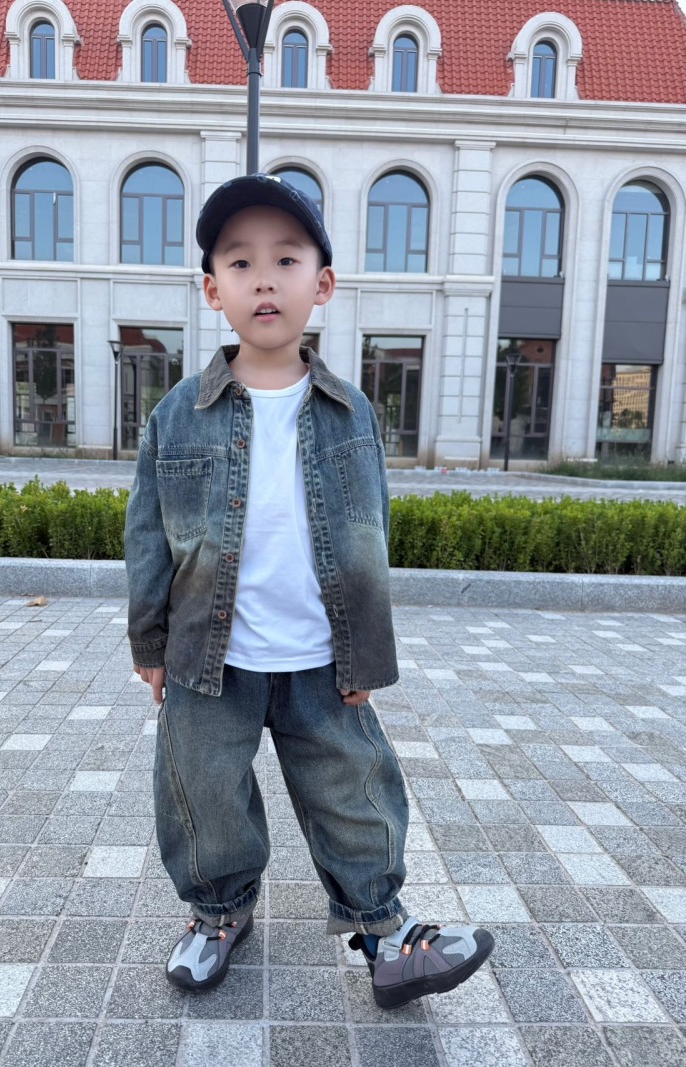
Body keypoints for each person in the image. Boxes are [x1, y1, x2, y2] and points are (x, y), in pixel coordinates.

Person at [124, 173, 494, 1009]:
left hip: (322, 659)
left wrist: (368, 655)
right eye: (240, 262)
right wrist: (150, 642)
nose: (264, 279)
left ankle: (384, 931)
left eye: (285, 260)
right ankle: (218, 912)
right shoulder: (176, 415)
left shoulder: (349, 411)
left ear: (321, 284)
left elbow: (369, 536)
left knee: (354, 789)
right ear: (212, 290)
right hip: (208, 659)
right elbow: (148, 533)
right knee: (201, 793)